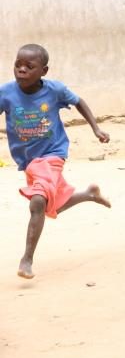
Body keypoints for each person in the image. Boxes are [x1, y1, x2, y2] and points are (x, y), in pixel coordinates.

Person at [0, 44, 111, 279]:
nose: (21, 70)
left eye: (29, 67)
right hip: (28, 160)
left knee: (38, 201)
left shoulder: (55, 90)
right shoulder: (6, 93)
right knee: (50, 203)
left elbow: (79, 102)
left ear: (44, 70)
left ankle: (27, 259)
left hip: (53, 154)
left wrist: (96, 128)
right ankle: (87, 195)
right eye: (17, 65)